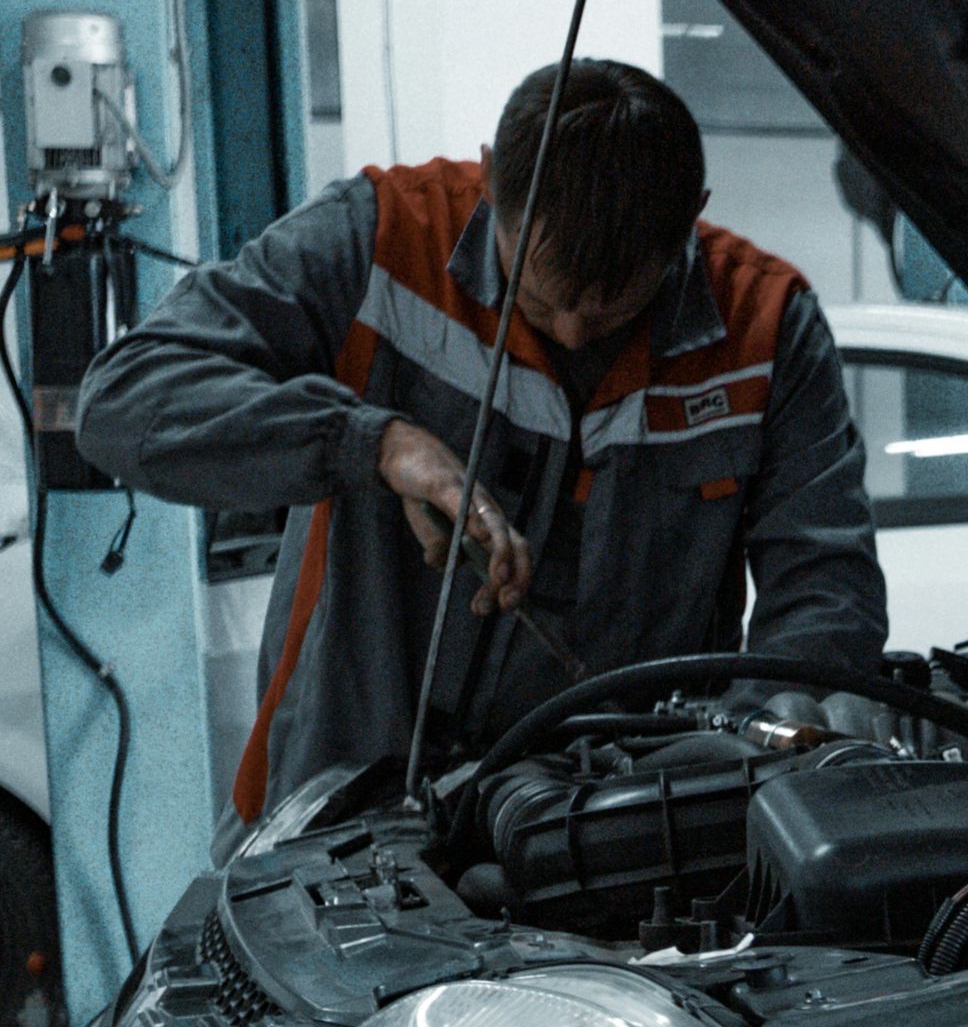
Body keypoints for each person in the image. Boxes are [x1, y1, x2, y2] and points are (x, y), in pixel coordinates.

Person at [75, 59, 887, 855]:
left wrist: (754, 742)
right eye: (541, 297)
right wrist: (373, 442)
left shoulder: (766, 329)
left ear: (693, 217)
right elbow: (125, 398)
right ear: (495, 179)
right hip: (335, 830)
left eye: (613, 310)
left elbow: (824, 587)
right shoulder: (383, 241)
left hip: (623, 839)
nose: (570, 333)